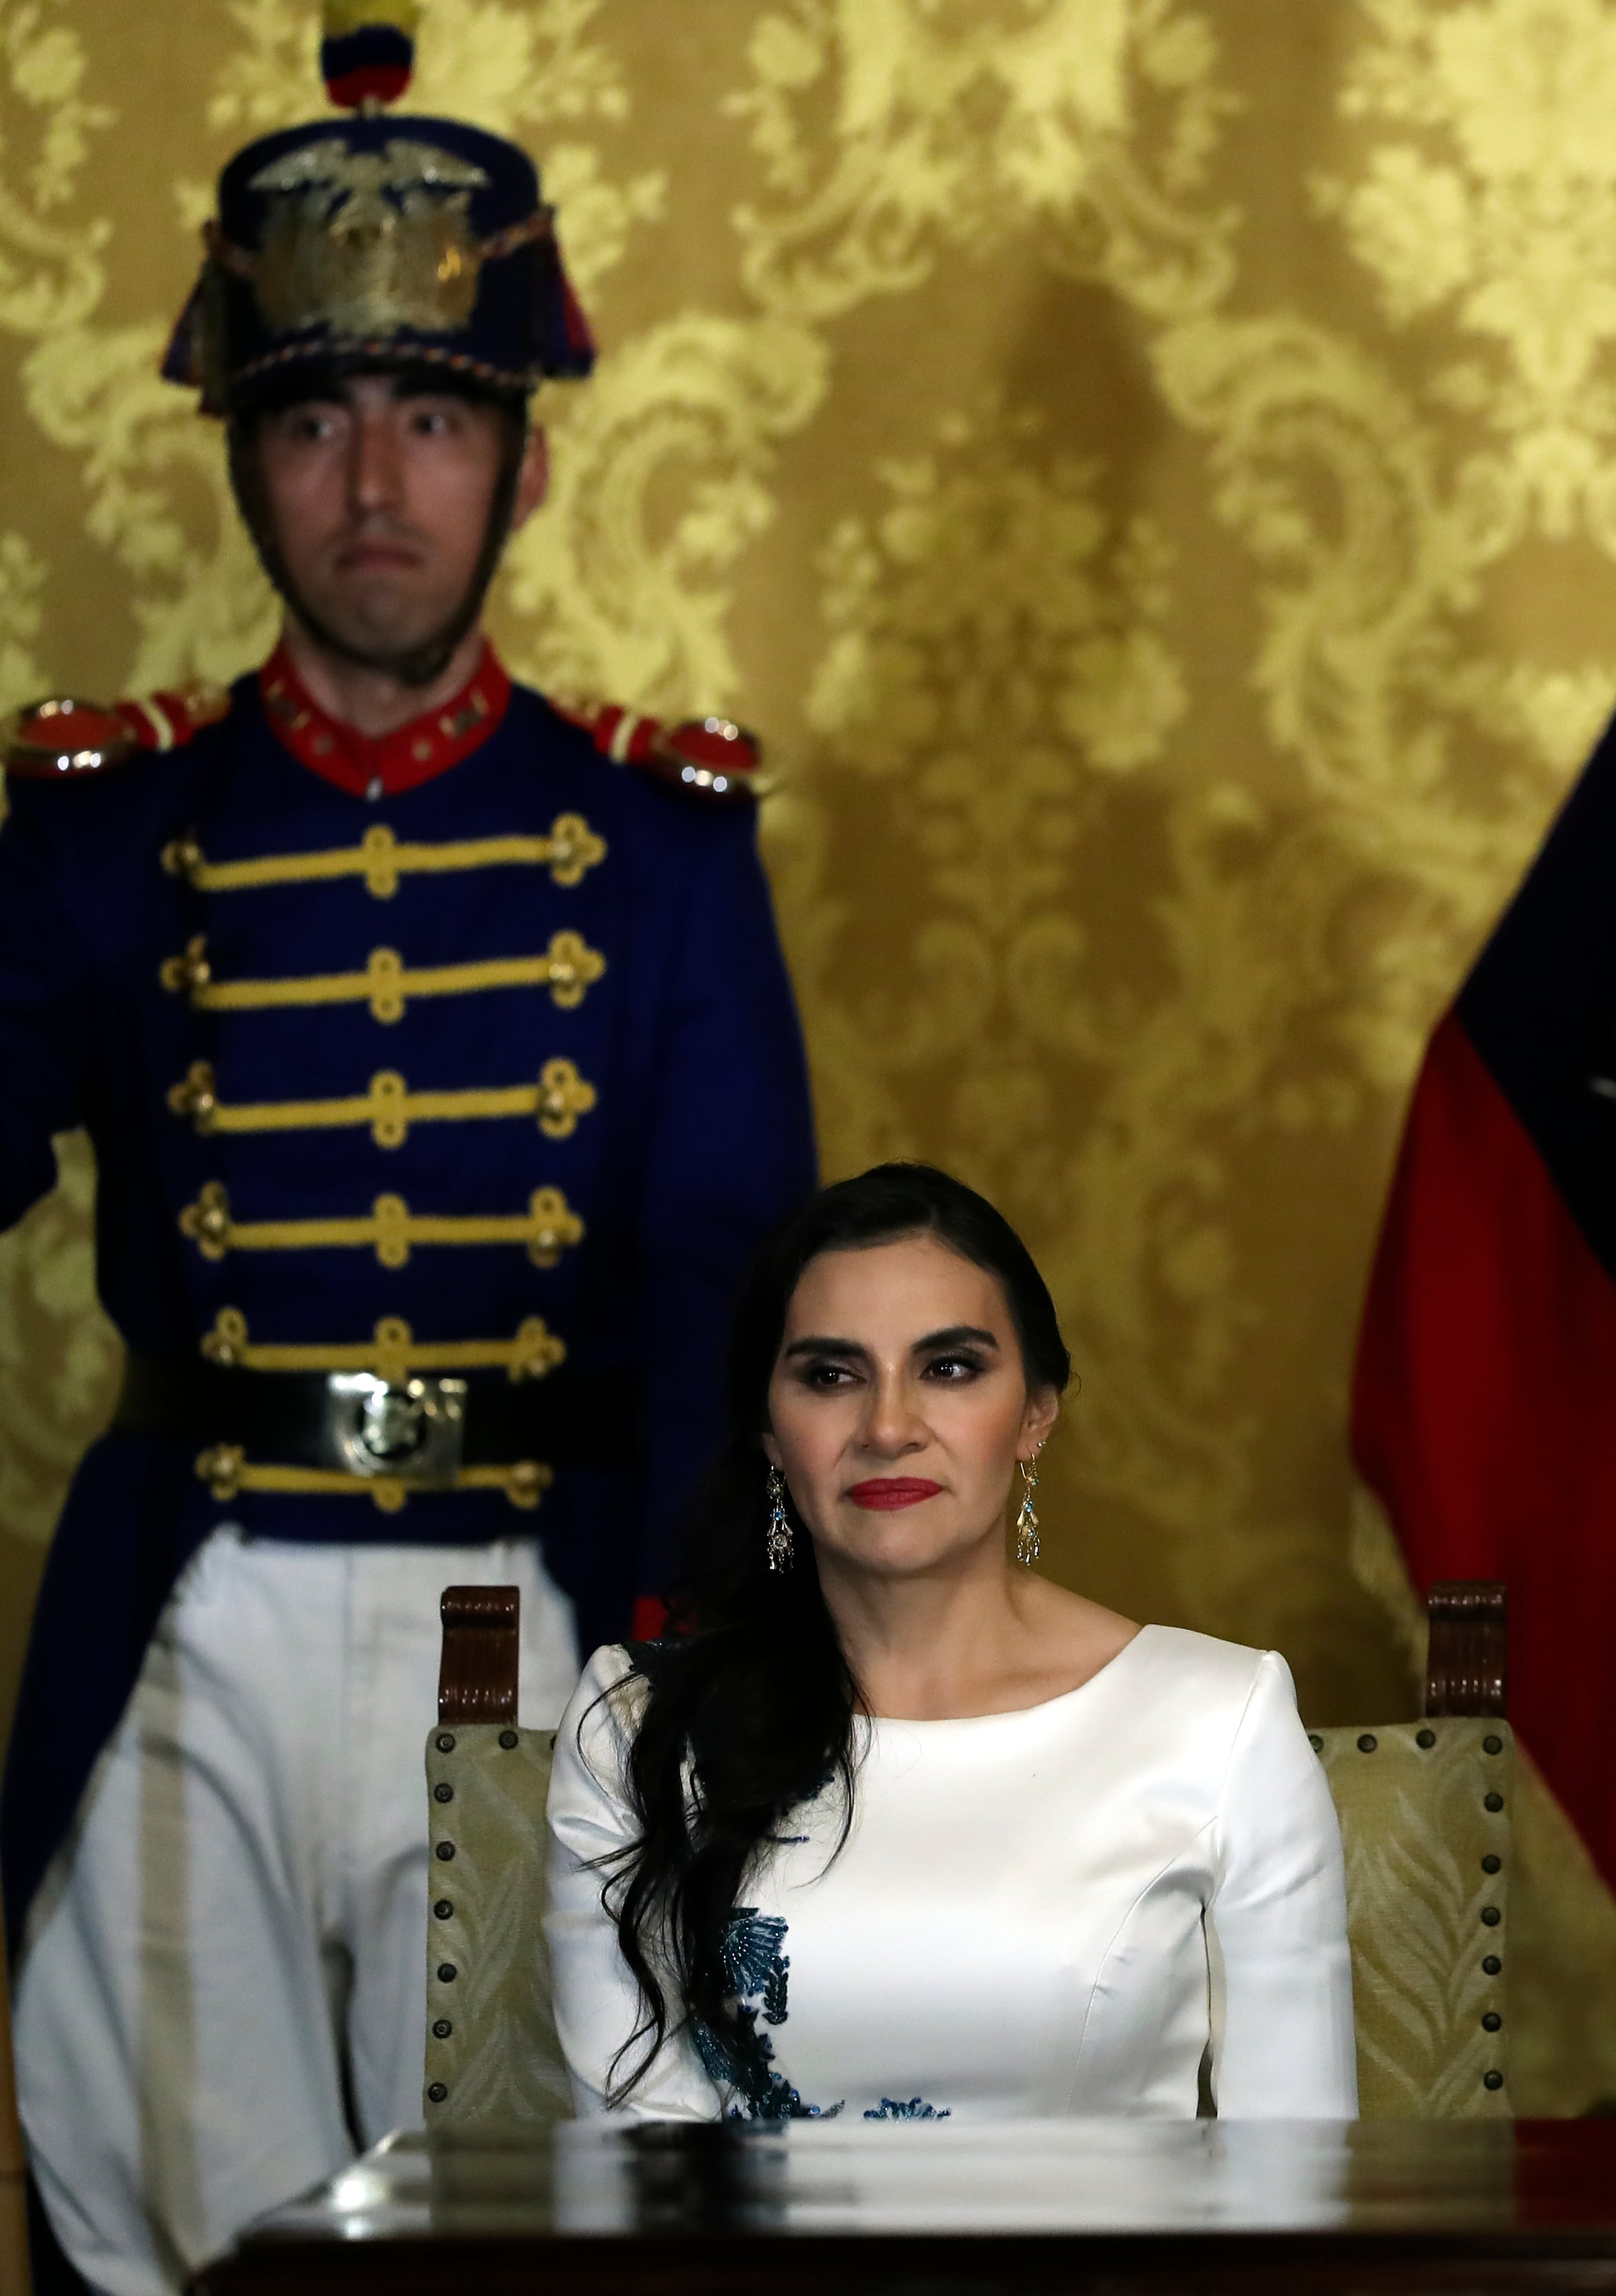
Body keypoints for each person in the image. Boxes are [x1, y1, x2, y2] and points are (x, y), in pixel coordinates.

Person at [1, 11, 817, 2286]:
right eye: (319, 420)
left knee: (533, 2225)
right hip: (197, 1603)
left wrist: (686, 1680)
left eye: (437, 418)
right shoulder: (100, 834)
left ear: (526, 468)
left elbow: (724, 1290)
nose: (378, 483)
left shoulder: (660, 848)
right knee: (186, 2223)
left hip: (551, 1600)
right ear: (244, 466)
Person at [547, 1163, 1356, 2122]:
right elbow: (634, 2170)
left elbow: (1294, 2175)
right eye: (832, 1374)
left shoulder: (1220, 1719)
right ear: (772, 1432)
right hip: (744, 2276)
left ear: (1036, 1414)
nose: (888, 1427)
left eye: (950, 1367)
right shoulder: (636, 1725)